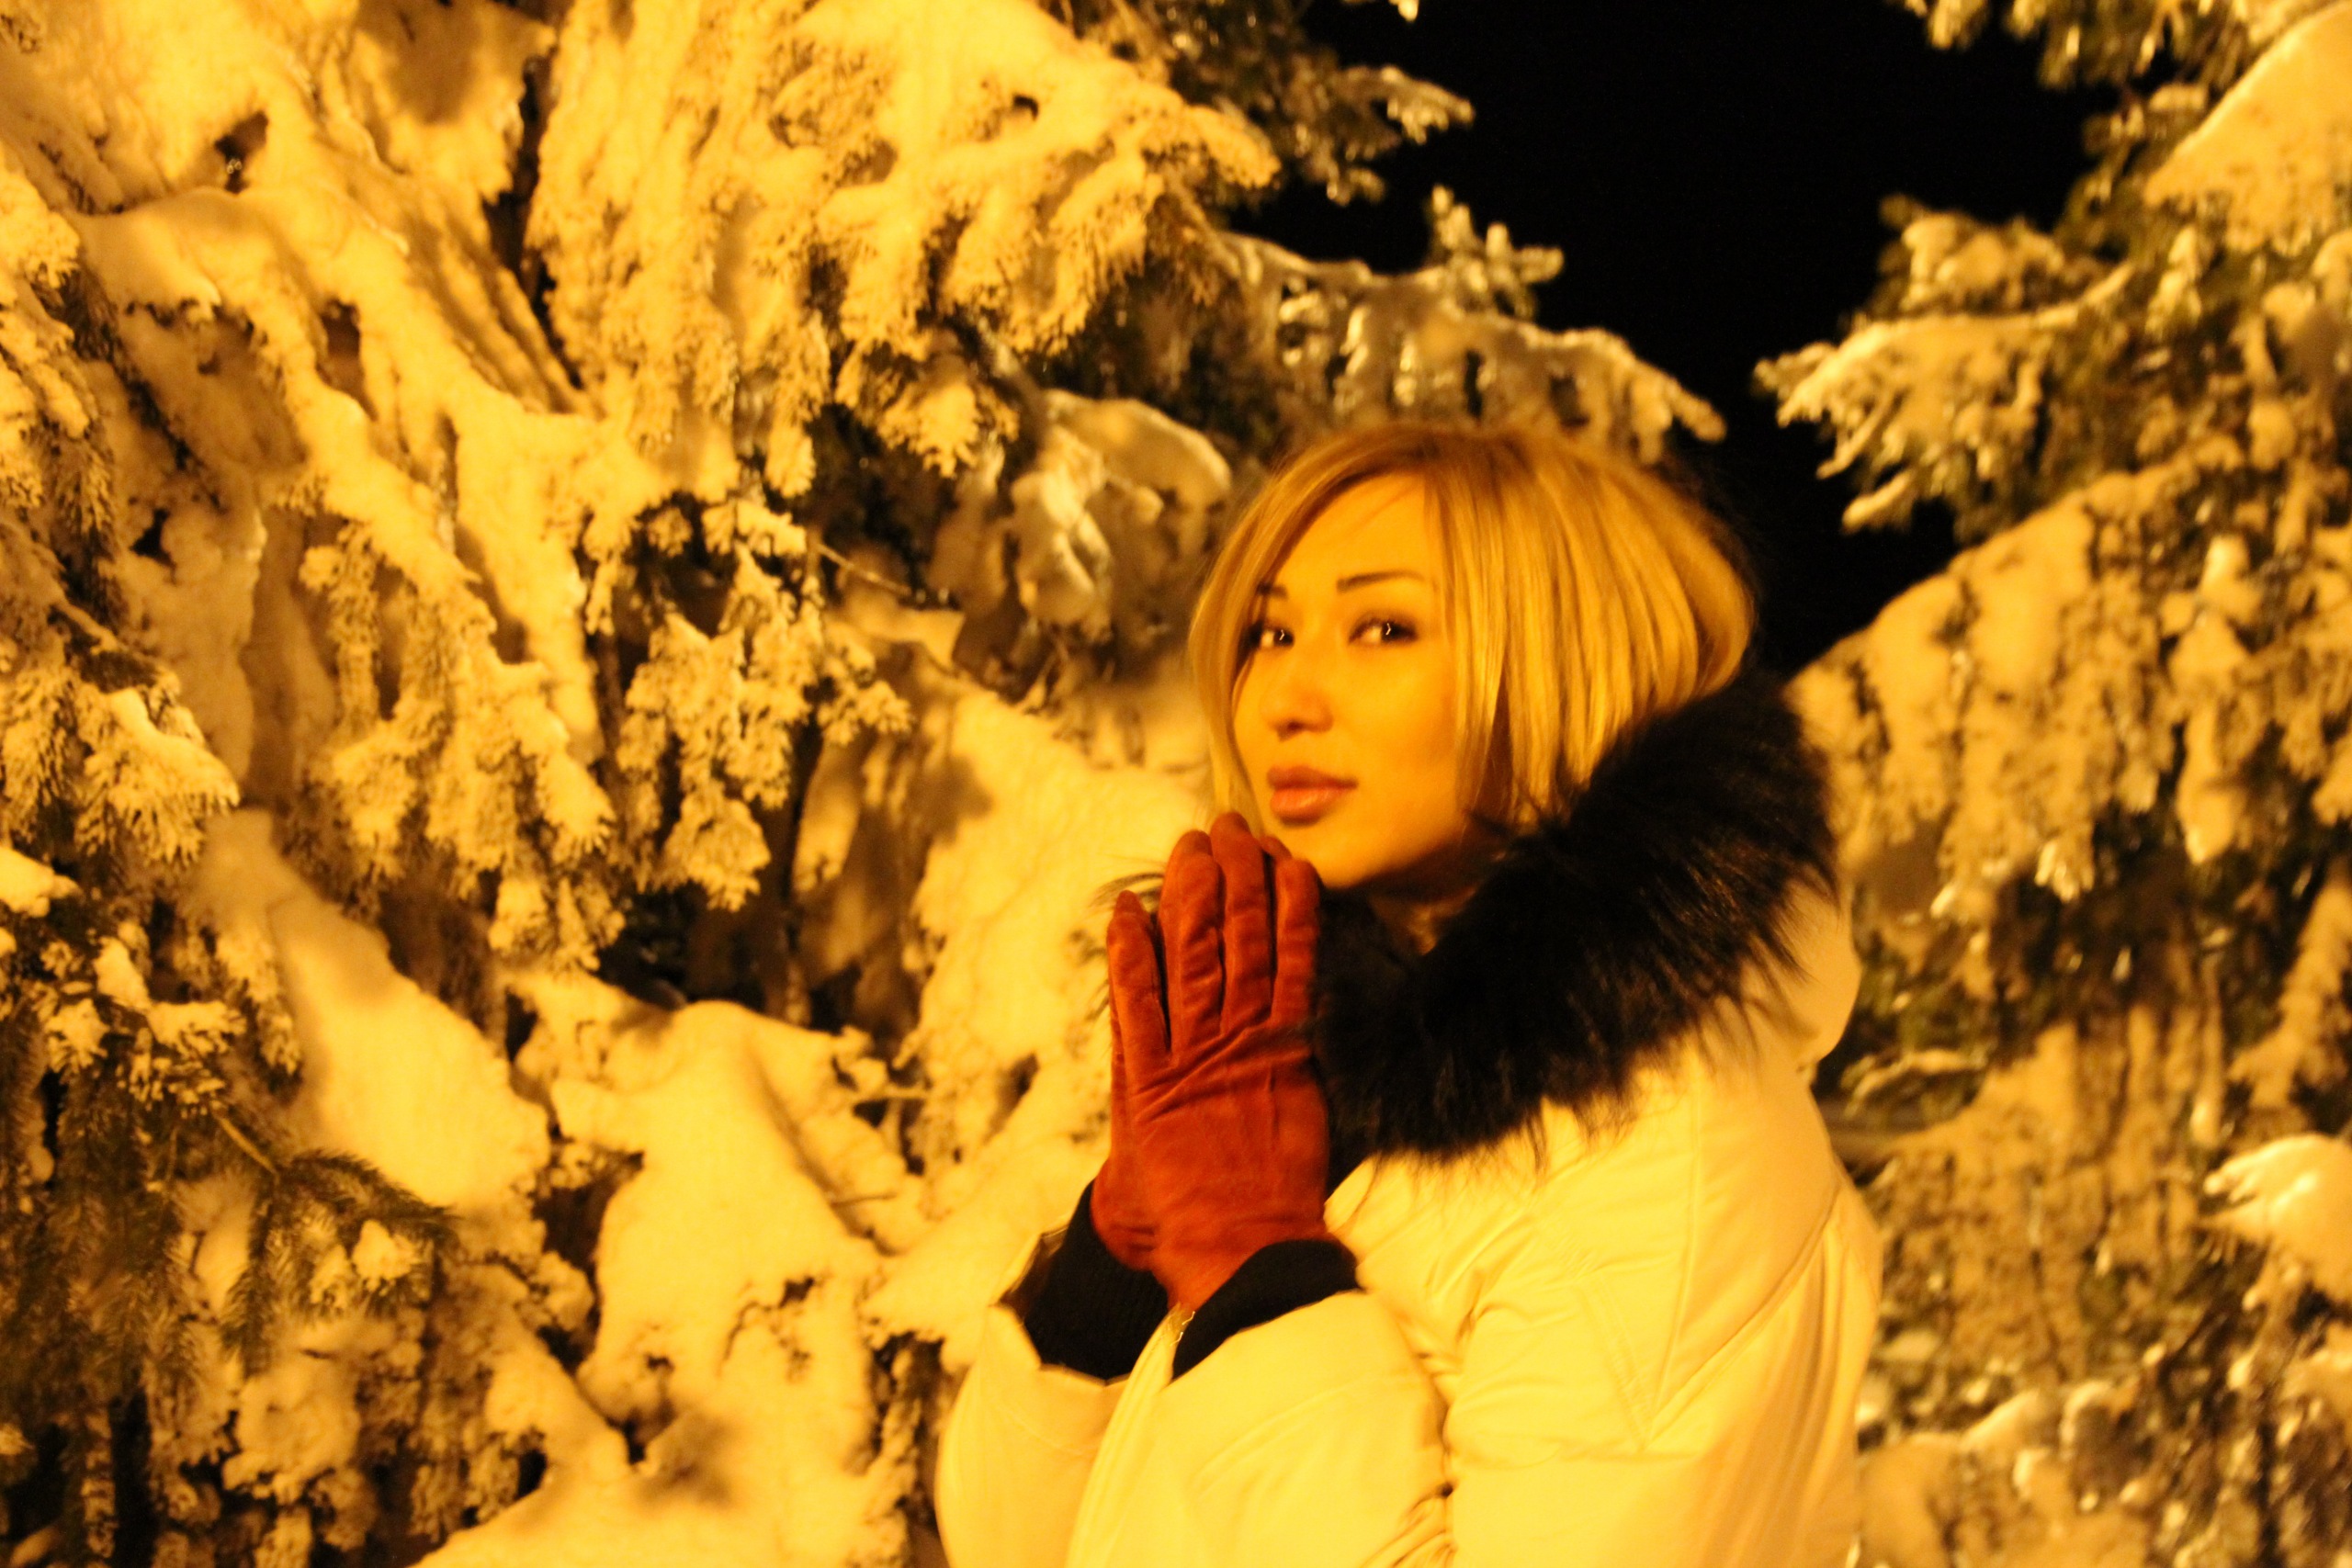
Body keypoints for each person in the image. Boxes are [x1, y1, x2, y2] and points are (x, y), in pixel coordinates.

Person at [933, 420, 1883, 1568]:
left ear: (1568, 662)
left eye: (1382, 629)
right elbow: (1011, 1546)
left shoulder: (1671, 1165)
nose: (1284, 696)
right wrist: (1116, 1263)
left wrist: (1252, 1268)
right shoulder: (1317, 1084)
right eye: (1270, 631)